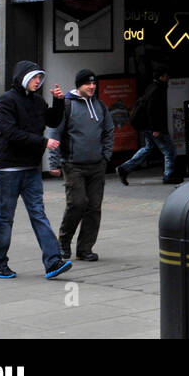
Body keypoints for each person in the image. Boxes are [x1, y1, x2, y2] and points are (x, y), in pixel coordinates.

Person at [0, 61, 73, 280]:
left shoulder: (37, 101)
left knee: (38, 213)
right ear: (24, 77)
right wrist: (43, 142)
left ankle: (53, 261)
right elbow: (11, 133)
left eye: (40, 78)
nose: (38, 82)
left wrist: (58, 101)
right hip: (10, 168)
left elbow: (53, 120)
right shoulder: (6, 101)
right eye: (35, 77)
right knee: (6, 216)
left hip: (31, 168)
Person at [49, 69, 113, 261]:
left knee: (94, 207)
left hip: (97, 166)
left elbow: (109, 131)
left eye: (94, 84)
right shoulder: (67, 105)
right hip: (73, 165)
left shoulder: (100, 106)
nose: (92, 87)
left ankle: (85, 249)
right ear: (79, 85)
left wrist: (106, 156)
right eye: (88, 84)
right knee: (77, 204)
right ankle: (63, 243)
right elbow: (55, 133)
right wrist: (54, 162)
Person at [118, 66, 178, 184]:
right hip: (154, 128)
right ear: (161, 77)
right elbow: (153, 111)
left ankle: (124, 168)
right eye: (166, 75)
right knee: (169, 150)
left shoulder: (151, 87)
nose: (168, 77)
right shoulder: (157, 90)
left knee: (148, 148)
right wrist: (156, 128)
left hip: (148, 127)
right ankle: (168, 176)